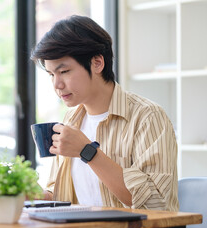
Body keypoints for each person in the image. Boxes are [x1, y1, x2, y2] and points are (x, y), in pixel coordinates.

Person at [30, 15, 178, 212]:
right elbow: (61, 196)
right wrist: (32, 194)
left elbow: (154, 203)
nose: (57, 85)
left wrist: (87, 151)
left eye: (64, 71)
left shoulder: (148, 117)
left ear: (97, 63)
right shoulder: (71, 120)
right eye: (51, 75)